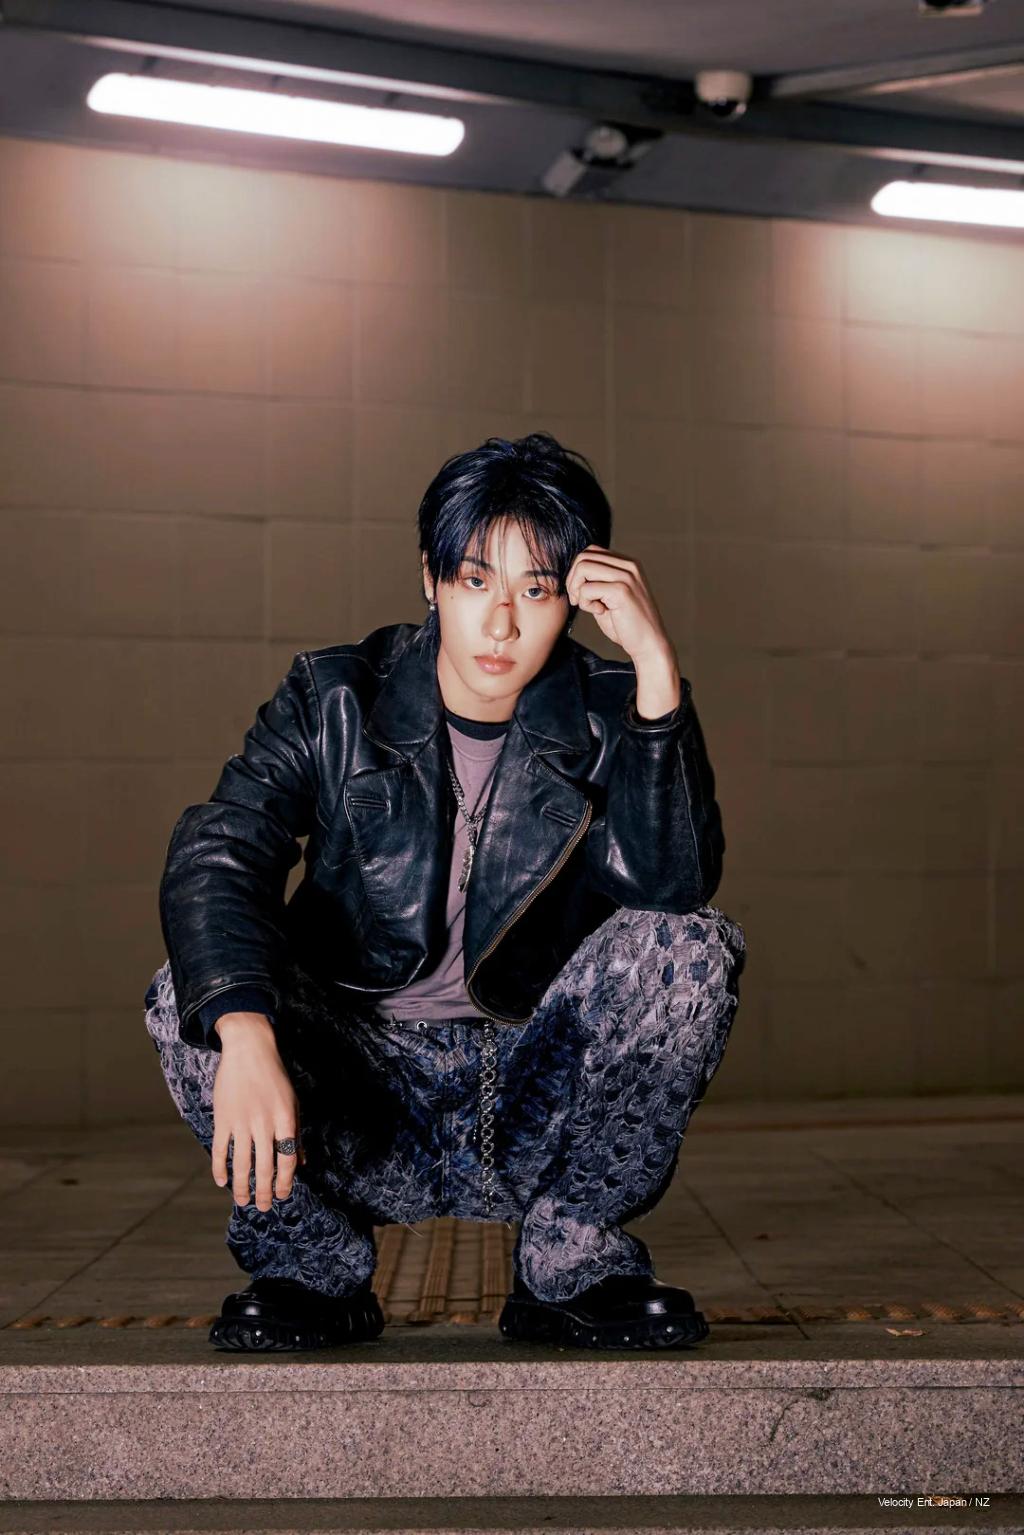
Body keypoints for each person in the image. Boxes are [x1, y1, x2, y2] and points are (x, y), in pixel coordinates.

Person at [145, 430, 747, 1352]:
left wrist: (657, 681)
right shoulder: (334, 698)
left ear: (575, 598)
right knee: (193, 995)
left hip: (533, 1092)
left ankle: (571, 1261)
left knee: (692, 948)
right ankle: (310, 1266)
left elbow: (672, 890)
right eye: (474, 581)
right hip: (362, 1095)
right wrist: (247, 1033)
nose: (500, 625)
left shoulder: (610, 710)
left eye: (535, 592)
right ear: (430, 579)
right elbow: (220, 849)